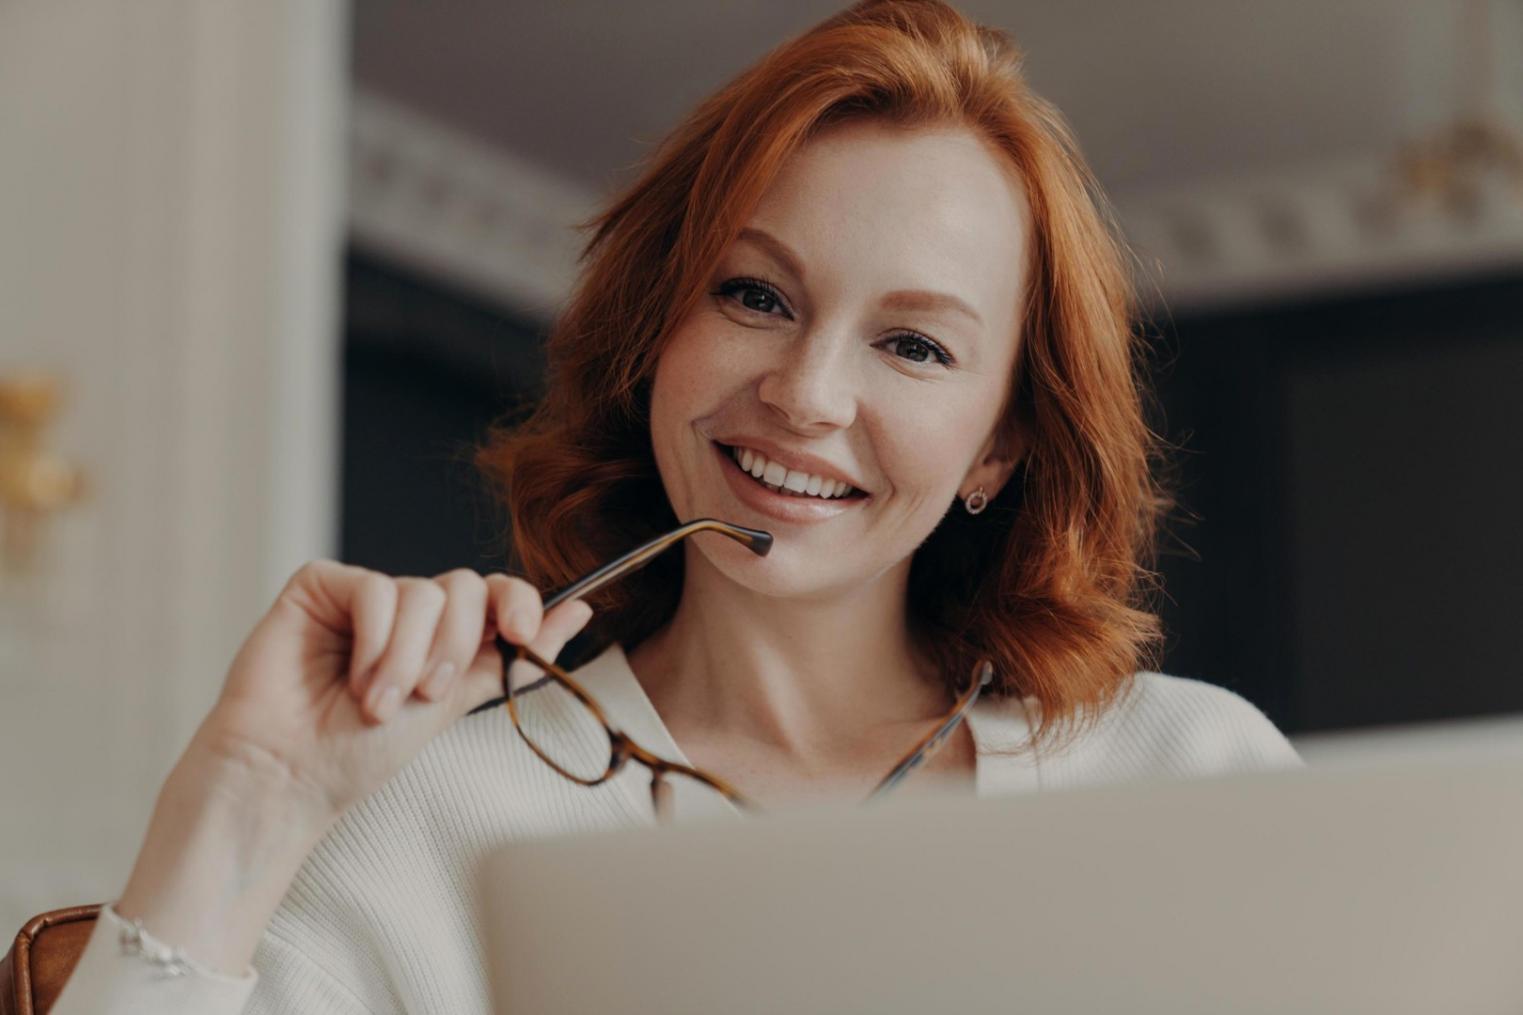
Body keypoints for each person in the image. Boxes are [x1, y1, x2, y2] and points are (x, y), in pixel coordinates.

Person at [49, 1, 1300, 1011]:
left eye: (913, 347)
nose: (806, 395)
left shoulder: (1191, 776)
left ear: (999, 447)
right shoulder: (435, 819)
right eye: (755, 296)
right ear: (657, 330)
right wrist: (249, 794)